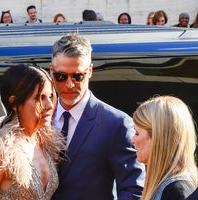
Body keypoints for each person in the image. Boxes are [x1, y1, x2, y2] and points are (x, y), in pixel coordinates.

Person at [50, 33, 146, 200]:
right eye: (61, 76)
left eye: (78, 76)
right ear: (51, 71)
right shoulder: (40, 118)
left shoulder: (116, 124)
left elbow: (134, 190)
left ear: (90, 71)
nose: (69, 84)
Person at [0, 64, 65, 199]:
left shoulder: (47, 143)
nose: (50, 105)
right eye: (40, 98)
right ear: (14, 103)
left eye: (51, 96)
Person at [131, 96, 198, 200]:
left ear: (158, 138)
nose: (133, 140)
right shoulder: (169, 185)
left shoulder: (175, 191)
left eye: (137, 133)